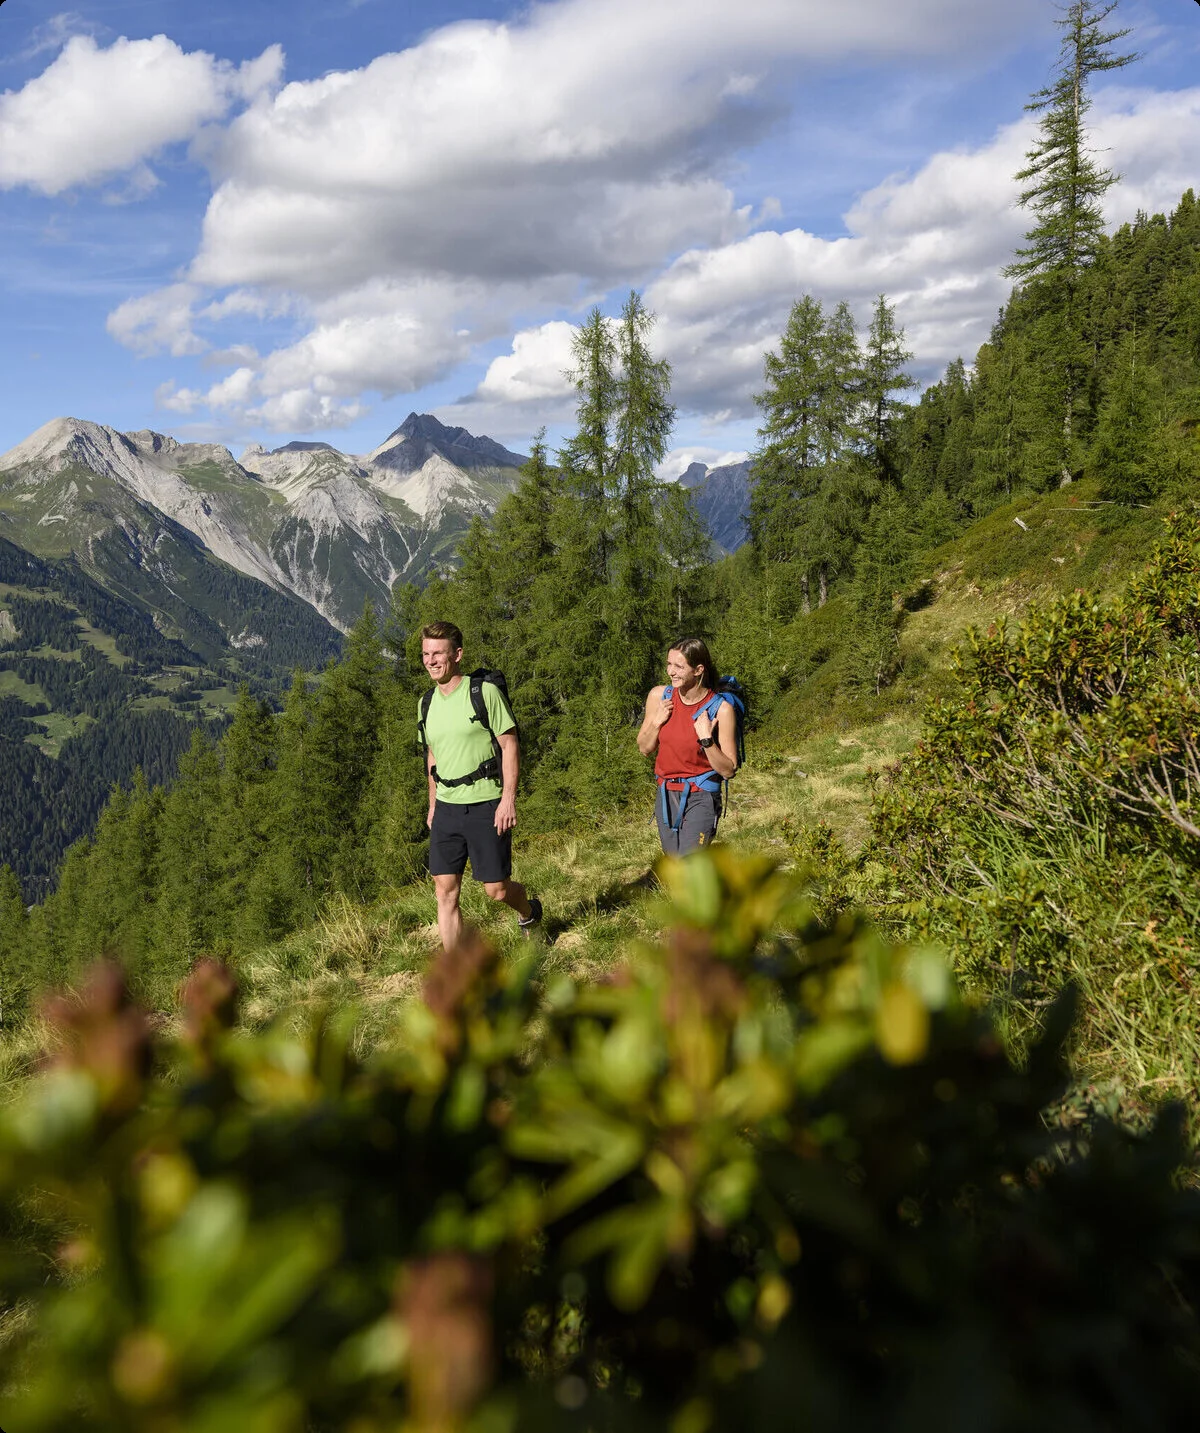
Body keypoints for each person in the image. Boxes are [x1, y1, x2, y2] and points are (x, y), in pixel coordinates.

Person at [418, 621, 542, 950]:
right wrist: (432, 806)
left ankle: (528, 911)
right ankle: (457, 973)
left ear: (457, 655)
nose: (431, 661)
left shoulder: (483, 692)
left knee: (496, 890)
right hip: (446, 808)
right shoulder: (425, 703)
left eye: (438, 654)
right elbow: (432, 757)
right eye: (426, 654)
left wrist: (508, 800)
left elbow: (510, 745)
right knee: (444, 892)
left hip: (487, 804)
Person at [637, 636, 739, 857]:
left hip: (701, 794)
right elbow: (644, 748)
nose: (670, 672)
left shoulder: (720, 710)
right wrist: (657, 721)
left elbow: (728, 770)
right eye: (669, 664)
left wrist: (706, 739)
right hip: (665, 793)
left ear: (698, 670)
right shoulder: (659, 697)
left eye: (678, 666)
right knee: (674, 865)